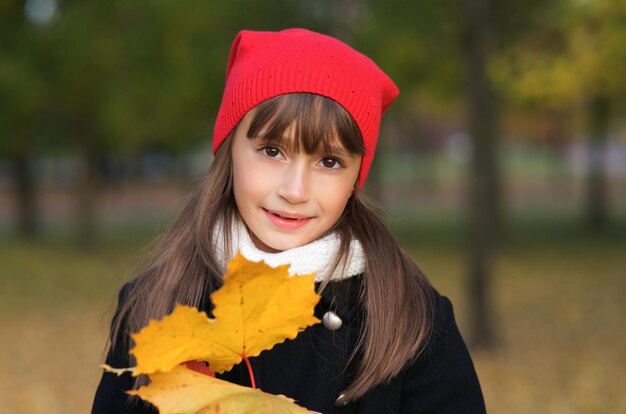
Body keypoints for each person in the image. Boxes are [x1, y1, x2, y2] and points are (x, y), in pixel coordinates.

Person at [92, 28, 485, 413]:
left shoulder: (410, 318)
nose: (295, 191)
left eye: (329, 162)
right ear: (229, 150)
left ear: (355, 180)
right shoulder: (156, 306)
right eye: (271, 150)